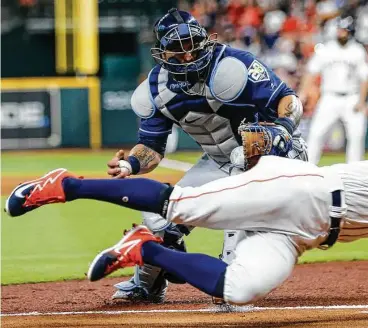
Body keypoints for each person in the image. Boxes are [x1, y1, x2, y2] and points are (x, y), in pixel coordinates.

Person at [5, 103, 368, 314]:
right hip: (298, 191)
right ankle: (66, 185)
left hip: (302, 234)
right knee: (178, 205)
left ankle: (146, 252)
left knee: (241, 289)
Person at [98, 8, 307, 303]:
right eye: (176, 48)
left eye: (191, 45)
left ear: (205, 41)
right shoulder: (156, 89)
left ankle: (232, 275)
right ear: (161, 52)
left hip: (270, 157)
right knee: (158, 216)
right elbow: (152, 149)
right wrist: (130, 163)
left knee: (239, 168)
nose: (186, 55)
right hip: (219, 161)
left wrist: (283, 129)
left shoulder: (233, 65)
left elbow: (288, 99)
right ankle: (148, 283)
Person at [299, 16, 368, 164]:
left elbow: (366, 76)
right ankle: (308, 167)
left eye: (344, 29)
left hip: (352, 97)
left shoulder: (357, 50)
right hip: (329, 97)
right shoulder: (327, 49)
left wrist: (362, 100)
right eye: (339, 29)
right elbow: (311, 71)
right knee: (316, 133)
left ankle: (354, 172)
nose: (341, 32)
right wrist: (302, 93)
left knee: (356, 136)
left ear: (351, 31)